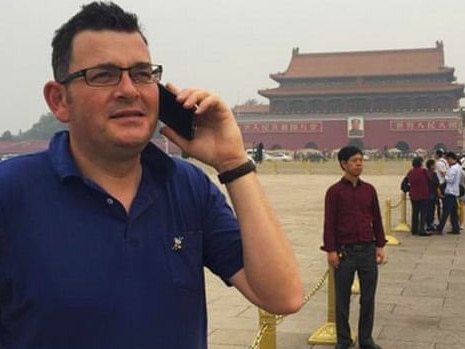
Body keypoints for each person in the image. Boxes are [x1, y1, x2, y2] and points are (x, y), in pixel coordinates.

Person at [0, 3, 303, 349]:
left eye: (142, 74)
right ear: (59, 100)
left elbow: (283, 296)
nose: (129, 89)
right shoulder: (11, 192)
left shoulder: (187, 187)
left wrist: (233, 162)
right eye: (103, 74)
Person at [322, 146, 386, 349]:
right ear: (343, 164)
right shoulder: (334, 192)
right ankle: (343, 339)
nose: (359, 163)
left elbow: (376, 218)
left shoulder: (369, 190)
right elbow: (329, 223)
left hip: (367, 250)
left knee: (368, 298)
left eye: (361, 160)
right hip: (344, 252)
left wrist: (380, 245)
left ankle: (366, 339)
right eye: (354, 160)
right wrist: (331, 250)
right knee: (342, 300)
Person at [435, 152, 462, 235]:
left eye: (447, 159)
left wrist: (445, 176)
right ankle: (455, 228)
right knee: (453, 212)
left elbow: (450, 180)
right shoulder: (458, 167)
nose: (447, 161)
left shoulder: (453, 168)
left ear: (451, 158)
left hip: (450, 192)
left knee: (446, 211)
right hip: (455, 192)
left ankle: (440, 227)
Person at [406, 157, 430, 236]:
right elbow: (429, 180)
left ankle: (414, 229)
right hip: (423, 195)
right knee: (423, 213)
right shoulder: (423, 171)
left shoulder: (410, 172)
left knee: (415, 213)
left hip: (413, 195)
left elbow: (408, 181)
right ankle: (422, 230)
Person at [425, 159, 440, 231]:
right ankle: (430, 223)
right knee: (431, 209)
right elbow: (437, 183)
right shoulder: (433, 174)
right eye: (434, 165)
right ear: (431, 166)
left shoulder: (425, 173)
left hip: (426, 193)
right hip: (432, 193)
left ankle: (427, 223)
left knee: (427, 209)